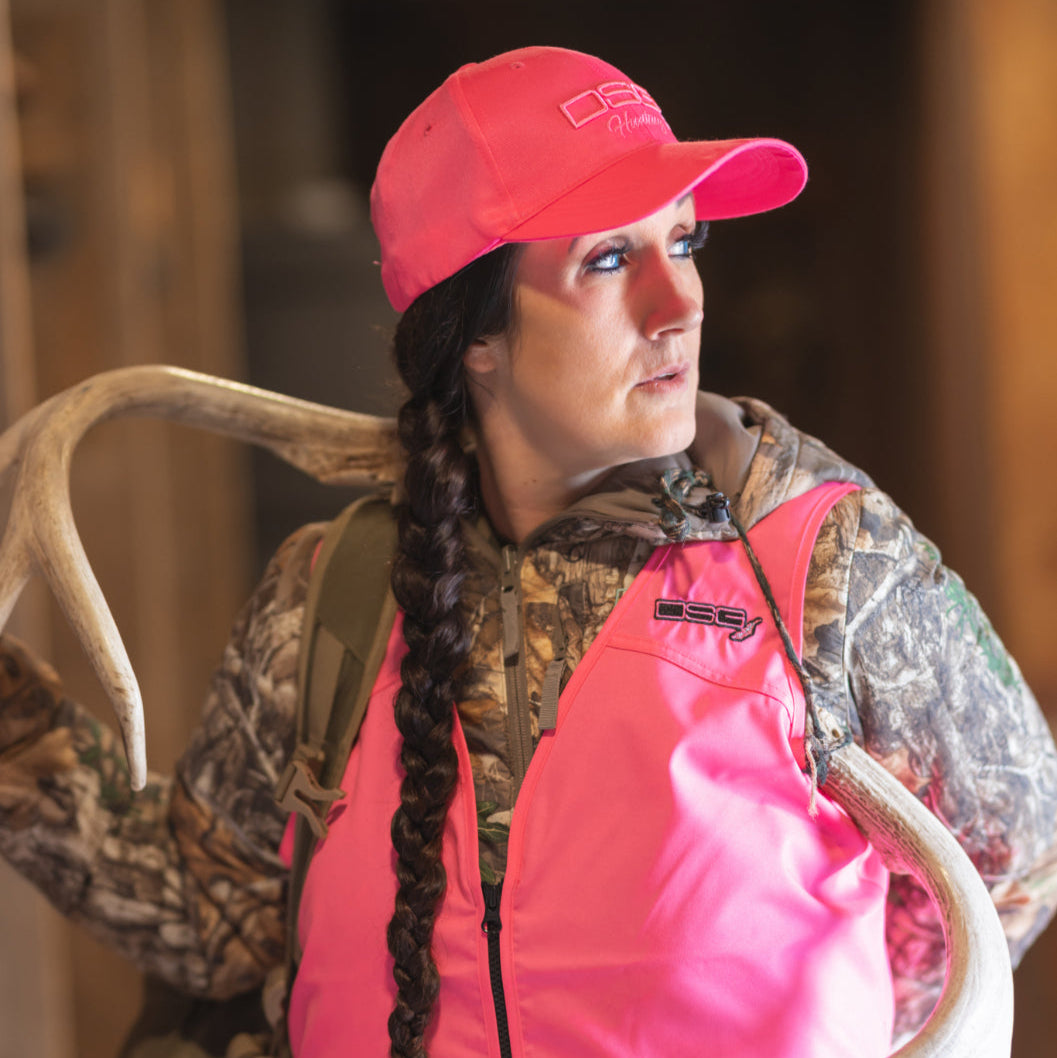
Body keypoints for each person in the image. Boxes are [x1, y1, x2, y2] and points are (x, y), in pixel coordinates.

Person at [1, 44, 1056, 1058]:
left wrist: (851, 1024)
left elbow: (1015, 860)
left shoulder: (824, 563)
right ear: (474, 332)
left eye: (684, 242)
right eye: (610, 259)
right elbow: (211, 913)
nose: (680, 302)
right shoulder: (334, 592)